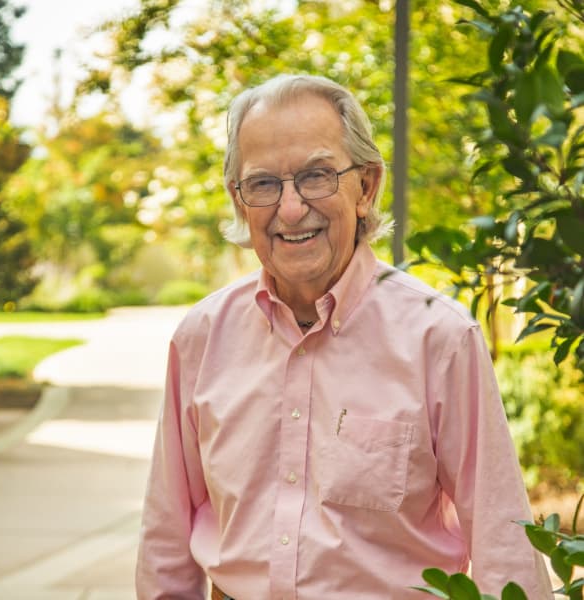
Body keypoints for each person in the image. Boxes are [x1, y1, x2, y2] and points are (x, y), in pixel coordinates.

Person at [135, 74, 552, 599]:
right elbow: (165, 543)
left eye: (317, 176)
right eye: (263, 184)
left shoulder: (439, 338)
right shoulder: (201, 338)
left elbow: (502, 541)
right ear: (240, 200)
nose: (290, 209)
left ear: (367, 186)